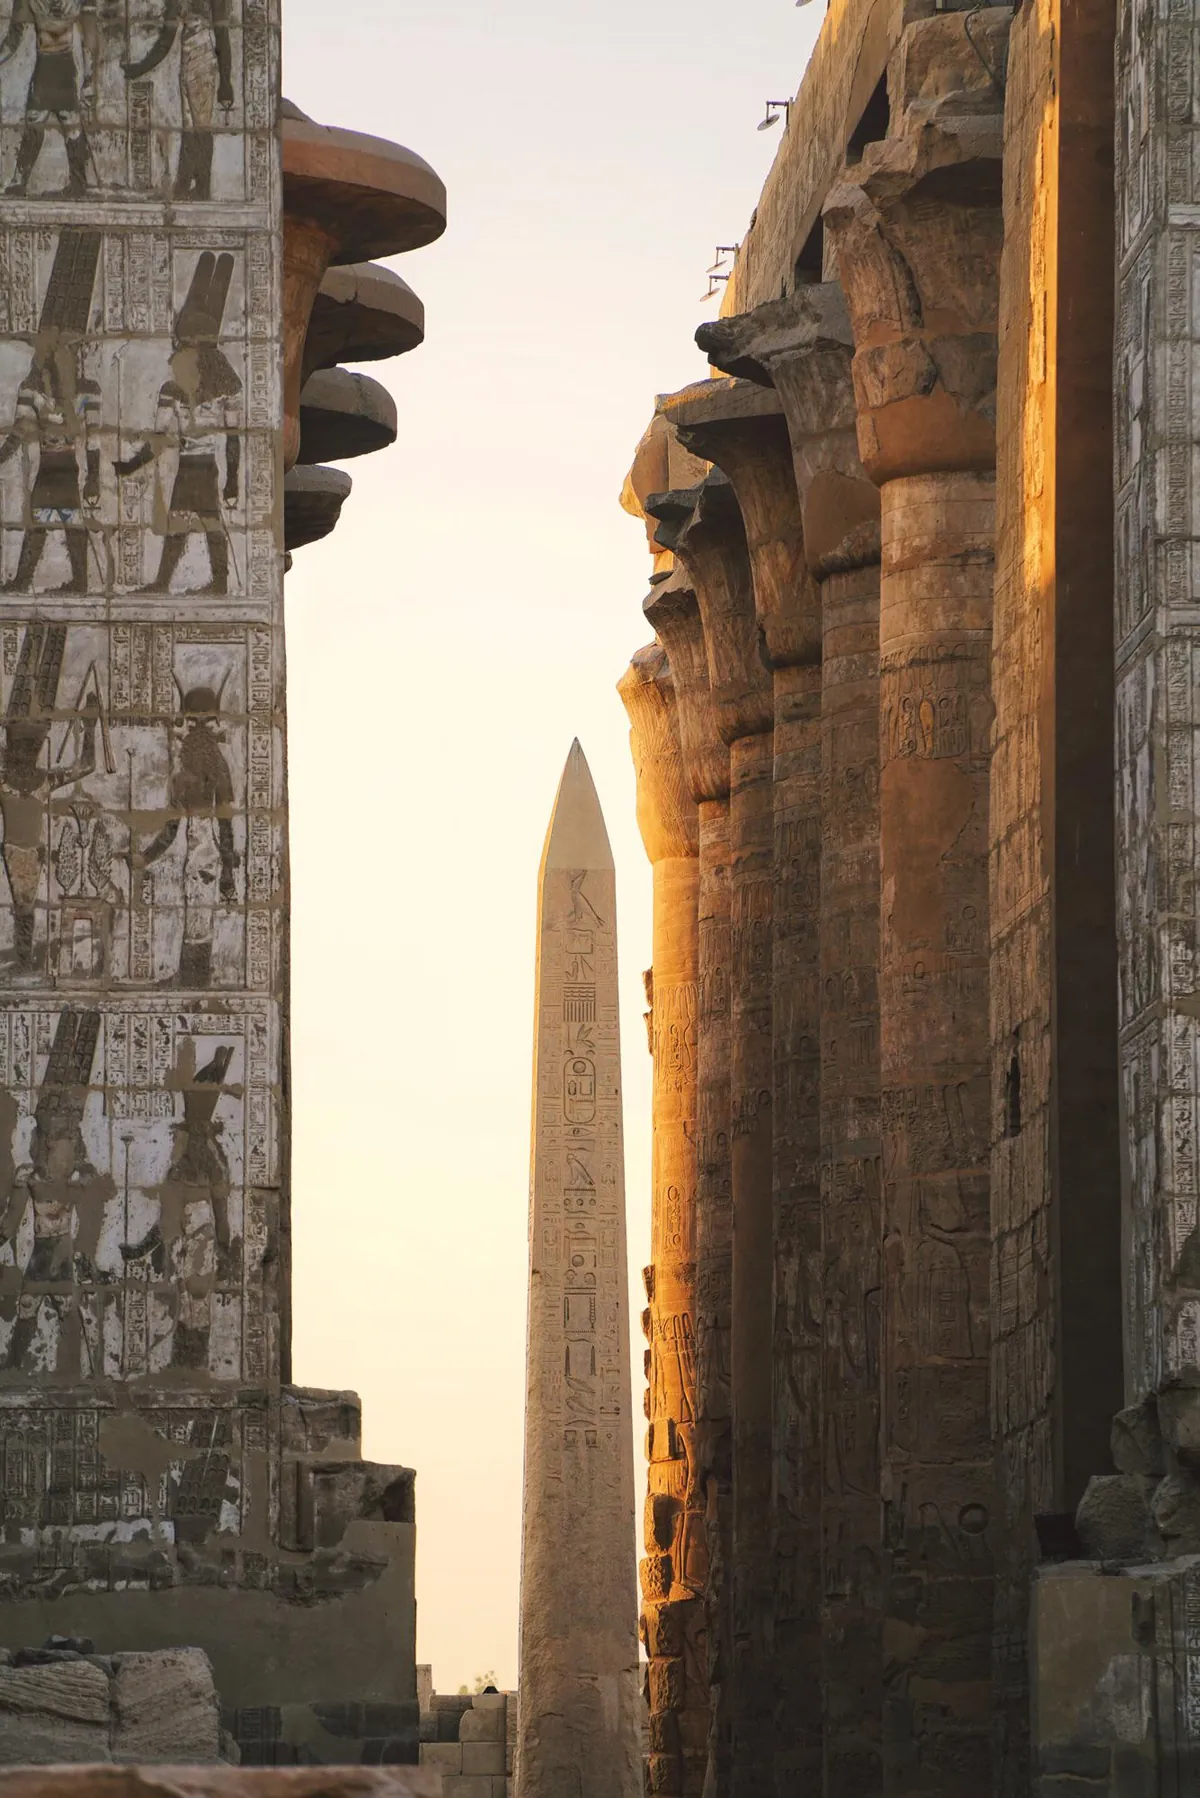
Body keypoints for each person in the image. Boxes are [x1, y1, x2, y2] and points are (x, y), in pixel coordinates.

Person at [115, 250, 241, 595]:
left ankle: (215, 582)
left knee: (204, 522)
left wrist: (232, 480)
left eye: (183, 346)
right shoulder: (172, 391)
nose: (176, 354)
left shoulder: (221, 392)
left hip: (203, 467)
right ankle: (170, 582)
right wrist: (131, 465)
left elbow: (233, 437)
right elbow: (160, 438)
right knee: (181, 522)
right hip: (190, 467)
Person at [122, 0, 234, 200]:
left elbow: (222, 36)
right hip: (189, 56)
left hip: (202, 57)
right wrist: (140, 68)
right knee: (189, 125)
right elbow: (166, 40)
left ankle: (200, 187)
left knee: (200, 126)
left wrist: (226, 83)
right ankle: (186, 184)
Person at [1, 0, 97, 196]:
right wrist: (89, 78)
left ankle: (20, 182)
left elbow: (13, 40)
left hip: (49, 67)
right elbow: (89, 39)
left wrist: (89, 79)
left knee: (49, 121)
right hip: (60, 67)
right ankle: (77, 183)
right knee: (67, 123)